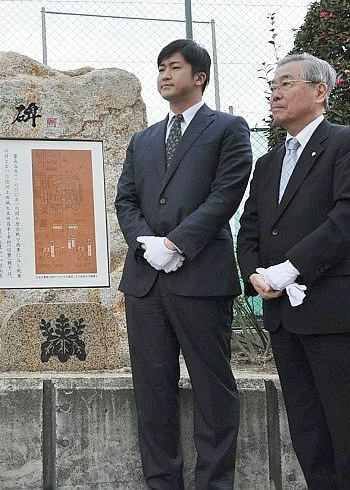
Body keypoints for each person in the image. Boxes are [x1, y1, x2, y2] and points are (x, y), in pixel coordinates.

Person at [236, 52, 350, 488]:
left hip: (338, 312)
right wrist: (254, 274)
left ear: (320, 91)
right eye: (272, 85)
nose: (275, 92)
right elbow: (250, 229)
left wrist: (289, 269)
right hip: (285, 317)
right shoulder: (267, 163)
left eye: (286, 83)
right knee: (308, 432)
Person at [115, 39, 252, 489]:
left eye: (174, 67)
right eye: (159, 69)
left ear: (200, 77)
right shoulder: (144, 139)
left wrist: (175, 244)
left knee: (213, 390)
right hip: (145, 283)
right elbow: (126, 200)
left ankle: (214, 483)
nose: (164, 76)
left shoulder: (228, 129)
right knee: (152, 393)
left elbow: (226, 194)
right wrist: (145, 243)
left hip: (200, 279)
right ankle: (162, 483)